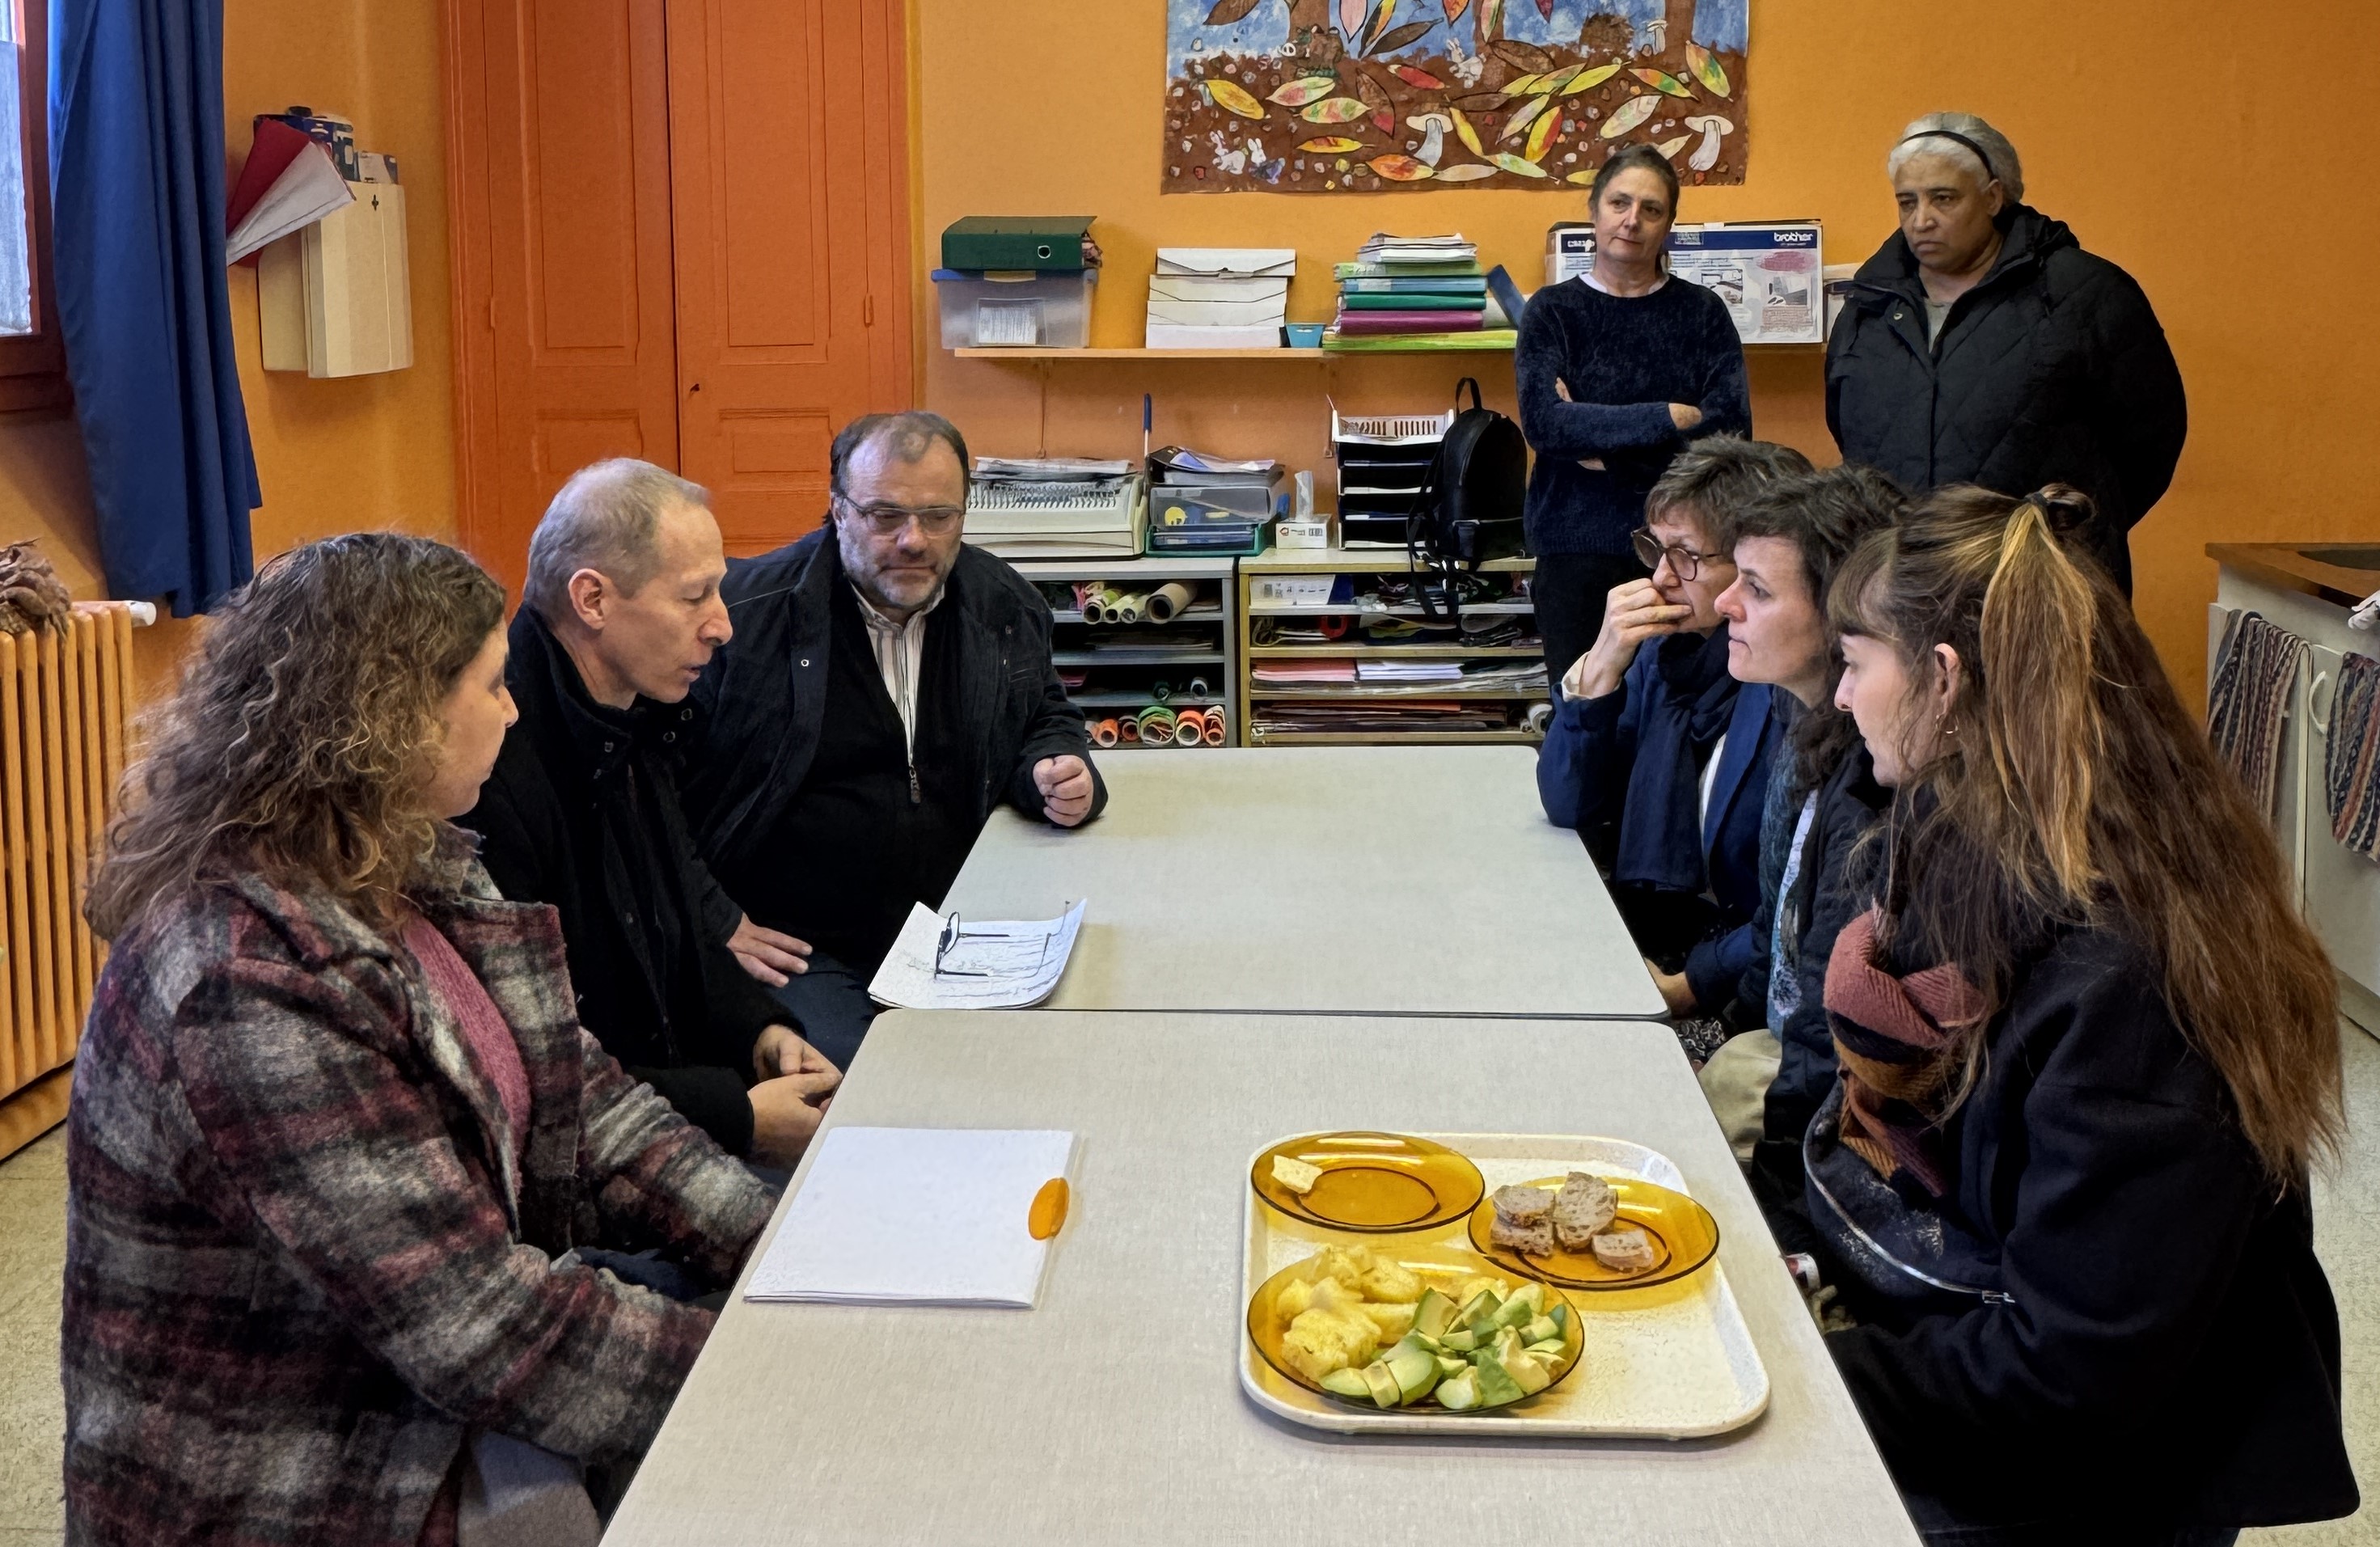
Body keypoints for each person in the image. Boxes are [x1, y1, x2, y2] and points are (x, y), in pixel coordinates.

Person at [64, 534, 776, 1546]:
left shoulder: (414, 857)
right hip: (300, 1476)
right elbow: (480, 1327)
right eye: (492, 684)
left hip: (425, 1387)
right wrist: (775, 1359)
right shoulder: (243, 976)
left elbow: (590, 1105)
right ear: (389, 719)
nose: (516, 707)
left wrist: (777, 1247)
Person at [1814, 486, 2356, 1542]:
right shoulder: (1957, 840)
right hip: (1994, 1380)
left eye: (1852, 662)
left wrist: (1808, 1376)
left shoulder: (2128, 982)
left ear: (1939, 681)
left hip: (2089, 1478)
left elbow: (2067, 1372)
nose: (1836, 700)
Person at [683, 411, 1105, 1067]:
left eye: (939, 516)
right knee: (877, 1083)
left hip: (957, 925)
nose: (914, 539)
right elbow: (646, 792)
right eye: (885, 515)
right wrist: (711, 916)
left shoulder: (1002, 606)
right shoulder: (743, 620)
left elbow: (1043, 713)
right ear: (837, 510)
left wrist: (1057, 767)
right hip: (796, 942)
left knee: (1054, 1056)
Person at [461, 459, 841, 1170]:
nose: (723, 626)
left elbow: (673, 934)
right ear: (593, 599)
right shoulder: (492, 774)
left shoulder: (638, 721)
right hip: (605, 1167)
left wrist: (758, 1031)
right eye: (694, 596)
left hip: (667, 1111)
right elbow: (533, 1071)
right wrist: (734, 1116)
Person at [1825, 112, 2185, 594]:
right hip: (1904, 586)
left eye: (1944, 198)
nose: (1921, 220)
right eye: (1907, 202)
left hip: (2046, 587)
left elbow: (2149, 442)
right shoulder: (1869, 306)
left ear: (1995, 197)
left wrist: (2067, 536)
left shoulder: (2084, 294)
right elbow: (1848, 432)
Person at [1537, 437, 1810, 1042]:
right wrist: (1600, 668)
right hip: (1650, 937)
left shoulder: (1792, 683)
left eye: (1685, 557)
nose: (1659, 578)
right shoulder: (1663, 654)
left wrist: (1687, 986)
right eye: (1654, 549)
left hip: (1734, 982)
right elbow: (1568, 804)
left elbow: (1794, 910)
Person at [1696, 466, 1904, 1215]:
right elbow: (1779, 946)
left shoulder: (1875, 789)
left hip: (1806, 1109)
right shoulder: (1802, 725)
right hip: (1771, 1050)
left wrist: (1785, 1215)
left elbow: (1824, 1038)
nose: (1724, 601)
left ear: (1840, 614)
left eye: (1755, 587)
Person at [1516, 142, 1752, 686]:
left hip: (1684, 556)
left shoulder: (1701, 312)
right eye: (1619, 203)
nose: (1632, 221)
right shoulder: (1551, 312)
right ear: (1593, 211)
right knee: (1585, 705)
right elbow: (1546, 424)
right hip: (1576, 552)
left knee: (1676, 713)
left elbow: (1729, 436)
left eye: (1651, 209)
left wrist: (1600, 449)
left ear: (1668, 223)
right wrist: (1670, 417)